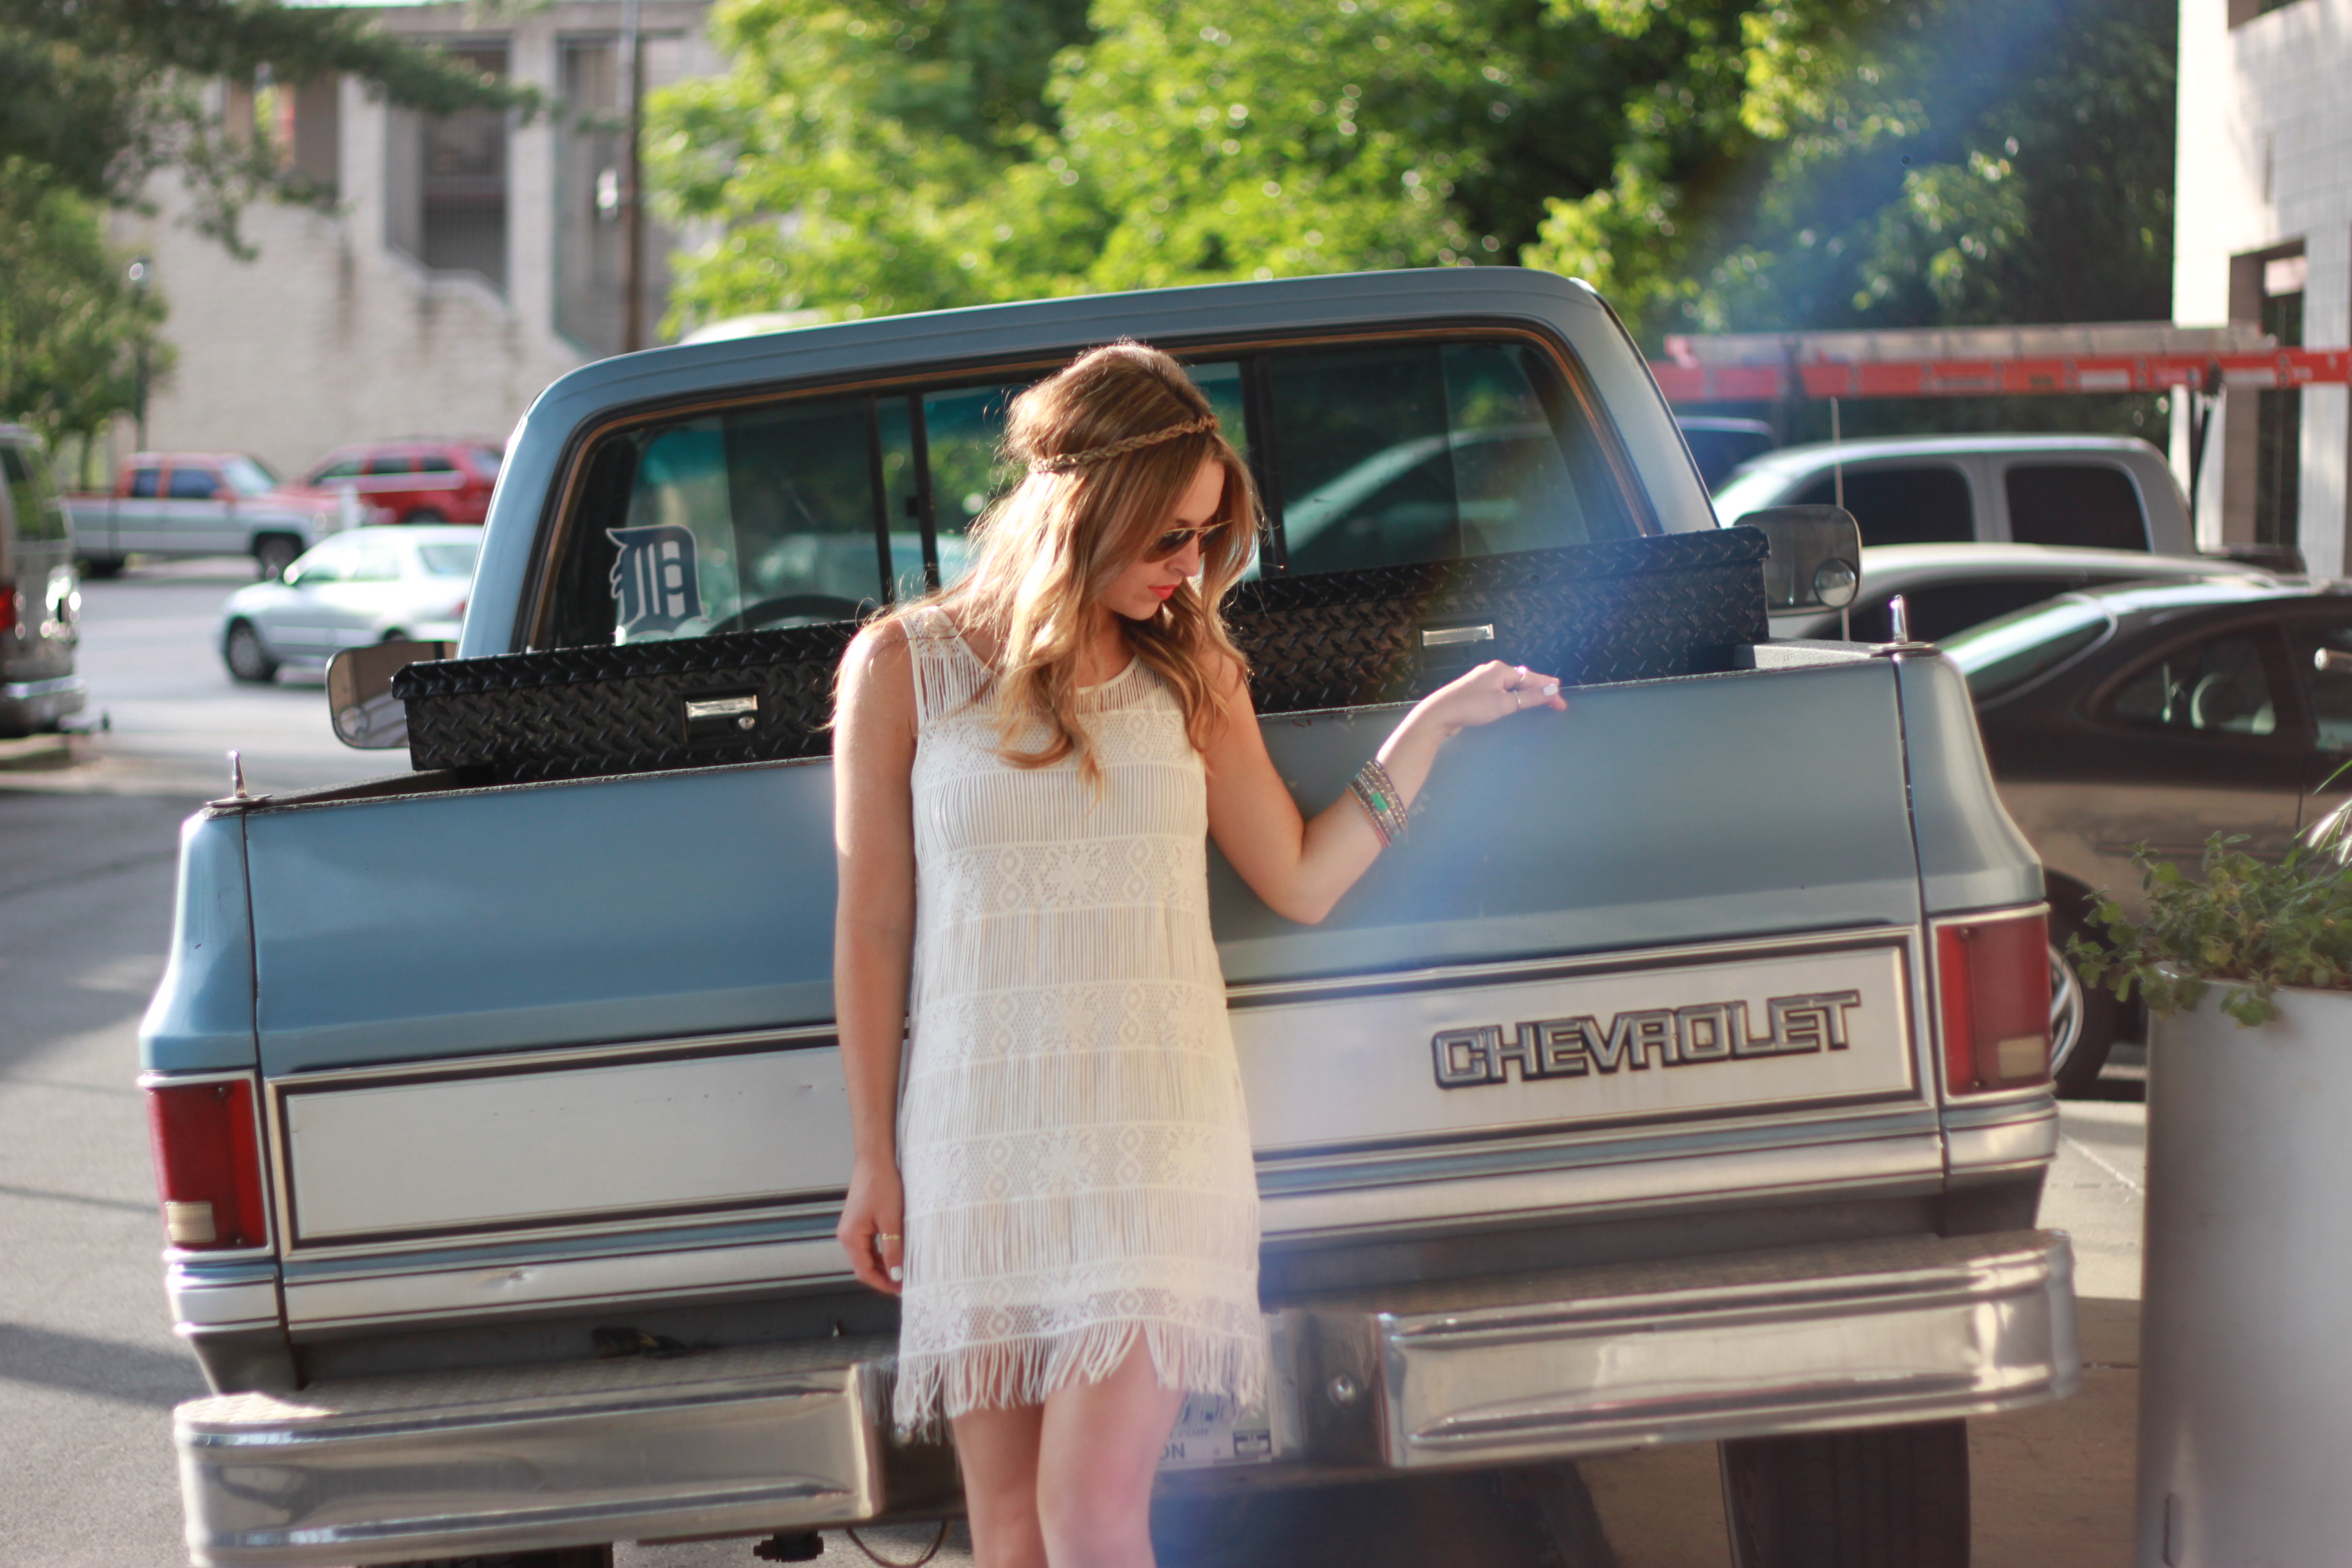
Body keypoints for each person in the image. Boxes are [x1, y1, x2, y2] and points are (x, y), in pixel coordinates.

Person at [831, 340, 1567, 1568]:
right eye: (1170, 538)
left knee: (1092, 1513)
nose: (1189, 570)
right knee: (1008, 1534)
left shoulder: (1193, 669)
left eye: (1205, 540)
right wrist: (870, 1158)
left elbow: (1300, 877)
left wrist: (1427, 732)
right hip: (979, 1139)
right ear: (1085, 509)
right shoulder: (905, 665)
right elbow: (872, 922)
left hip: (1155, 1139)